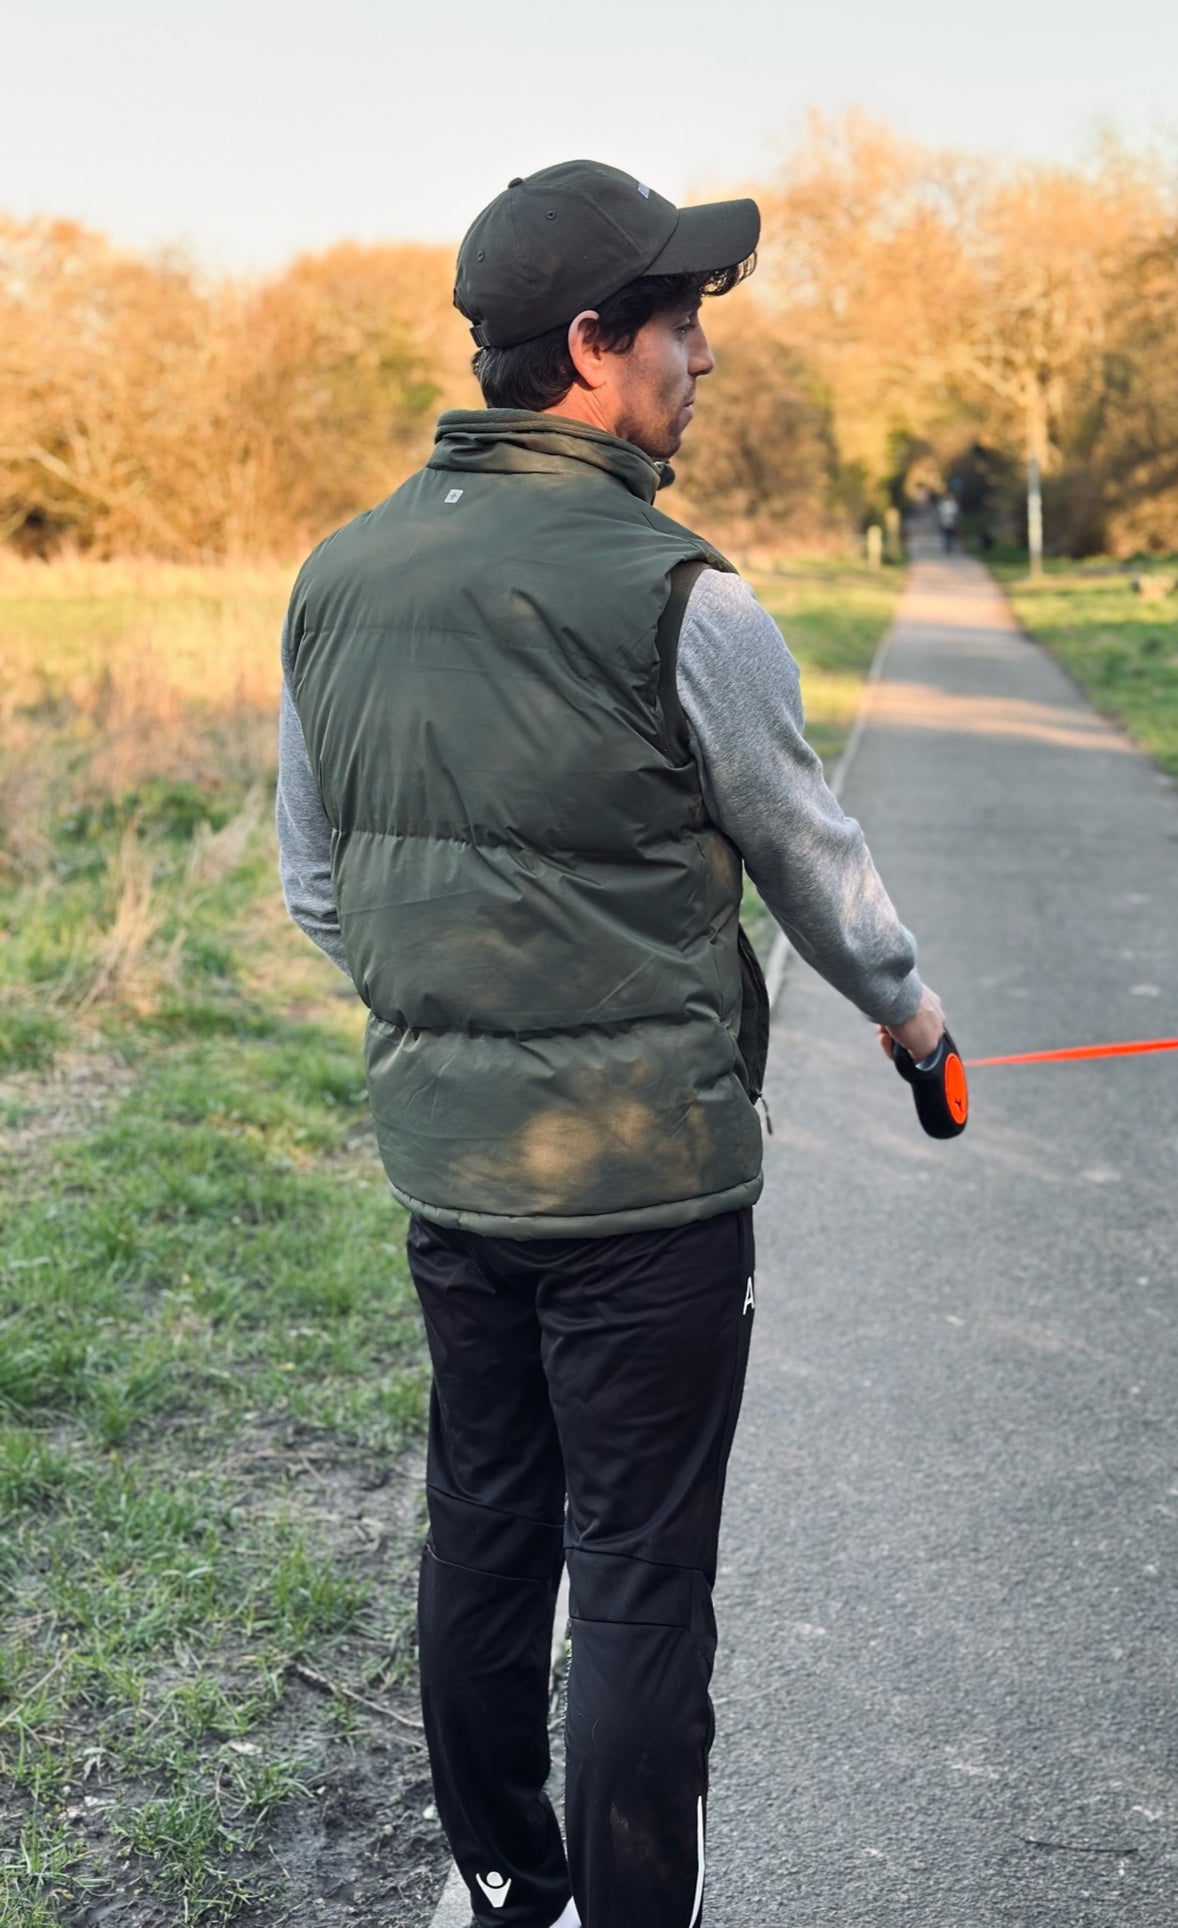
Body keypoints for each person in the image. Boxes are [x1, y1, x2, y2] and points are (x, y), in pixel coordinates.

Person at [276, 159, 946, 1928]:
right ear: (591, 345)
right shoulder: (682, 595)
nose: (703, 357)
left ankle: (511, 1885)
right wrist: (912, 1014)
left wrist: (461, 1017)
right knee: (639, 1577)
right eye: (681, 325)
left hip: (452, 1170)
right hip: (649, 1189)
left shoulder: (334, 577)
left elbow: (315, 884)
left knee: (486, 1527)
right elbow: (811, 858)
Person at [936, 490, 960, 554]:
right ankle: (947, 547)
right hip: (944, 522)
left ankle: (950, 546)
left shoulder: (954, 504)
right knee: (946, 535)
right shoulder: (942, 504)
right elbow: (940, 513)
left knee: (951, 535)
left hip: (952, 522)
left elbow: (956, 514)